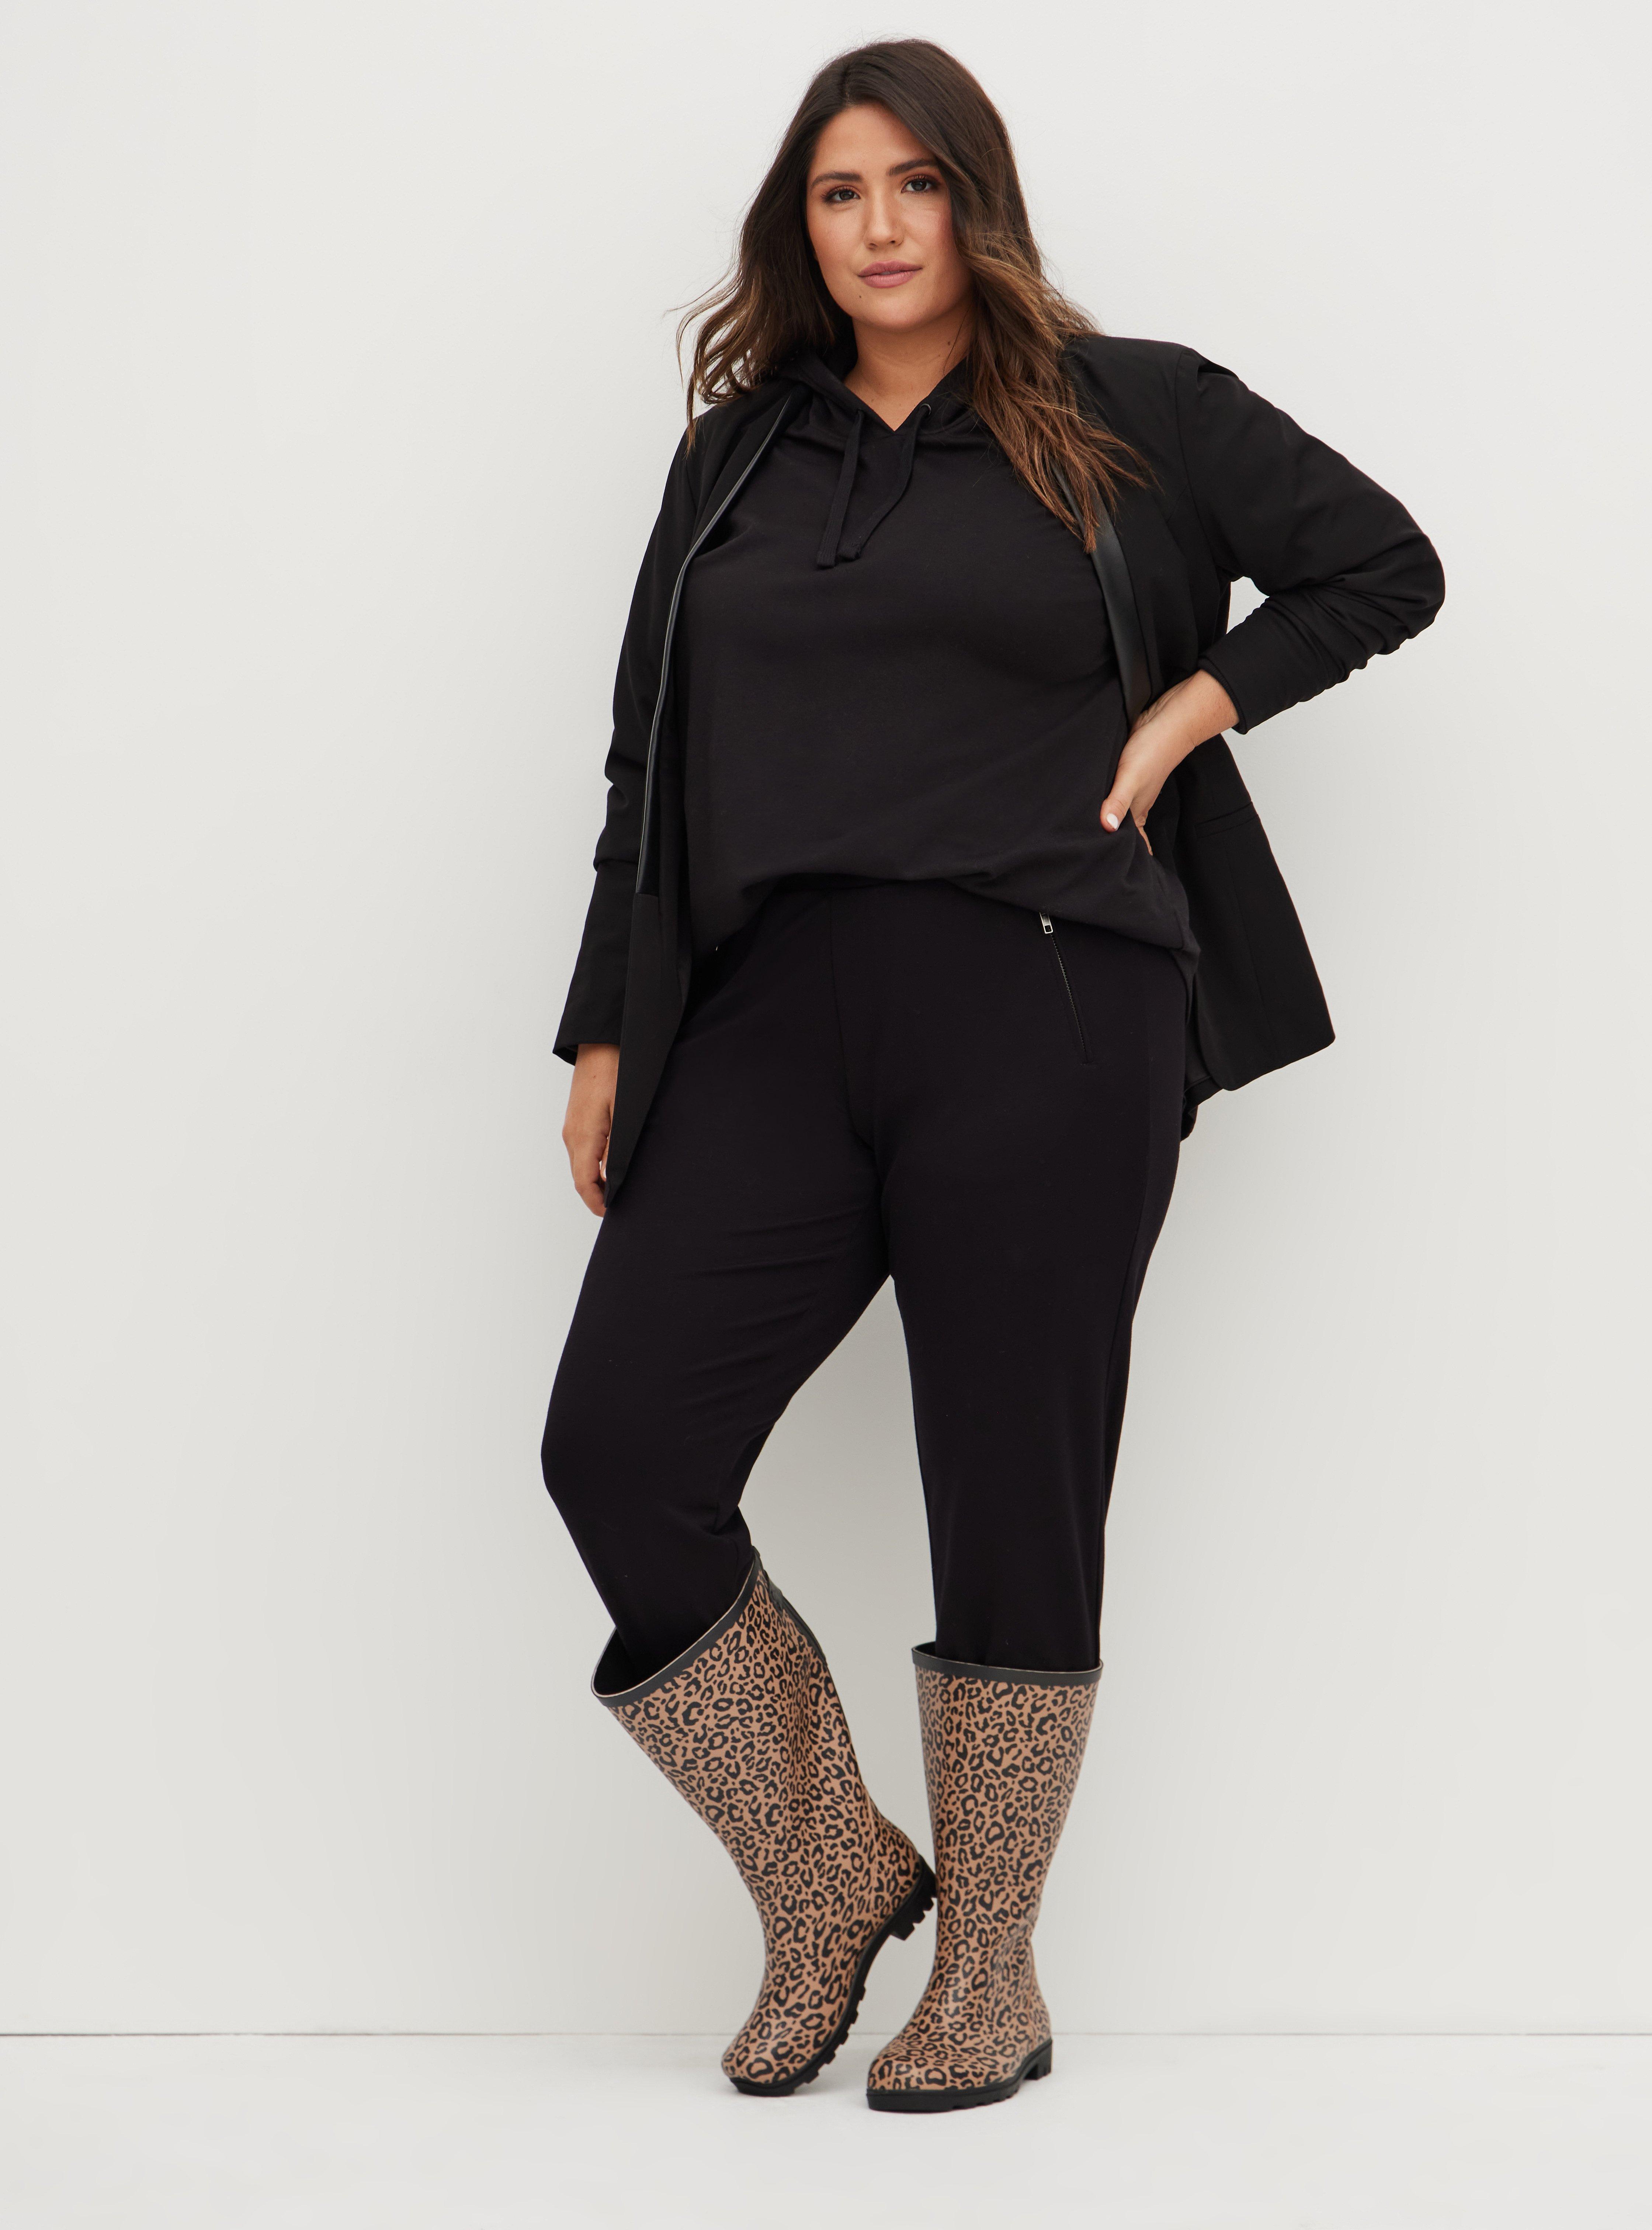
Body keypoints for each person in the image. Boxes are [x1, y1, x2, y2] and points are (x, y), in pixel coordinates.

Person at [541, 39, 1443, 2113]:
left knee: (1008, 1480)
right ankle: (827, 1870)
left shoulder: (1131, 411)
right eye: (839, 191)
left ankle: (997, 1975)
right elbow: (645, 759)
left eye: (915, 184)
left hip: (1049, 1003)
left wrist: (1192, 710)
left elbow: (1382, 564)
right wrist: (607, 1026)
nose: (880, 228)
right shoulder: (740, 457)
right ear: (800, 224)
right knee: (618, 1445)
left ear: (977, 200)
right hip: (770, 1017)